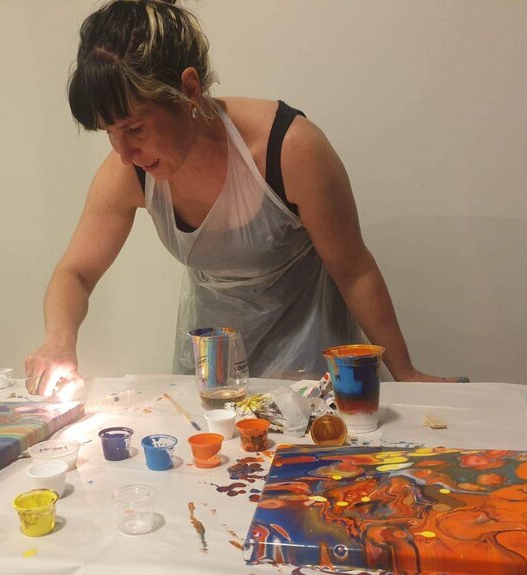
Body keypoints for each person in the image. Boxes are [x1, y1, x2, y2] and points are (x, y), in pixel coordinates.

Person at [25, 0, 466, 397]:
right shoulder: (129, 172)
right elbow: (76, 272)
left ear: (190, 89)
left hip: (307, 361)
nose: (123, 153)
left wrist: (406, 374)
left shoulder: (289, 150)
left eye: (135, 128)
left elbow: (354, 270)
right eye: (110, 133)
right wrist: (59, 342)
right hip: (211, 372)